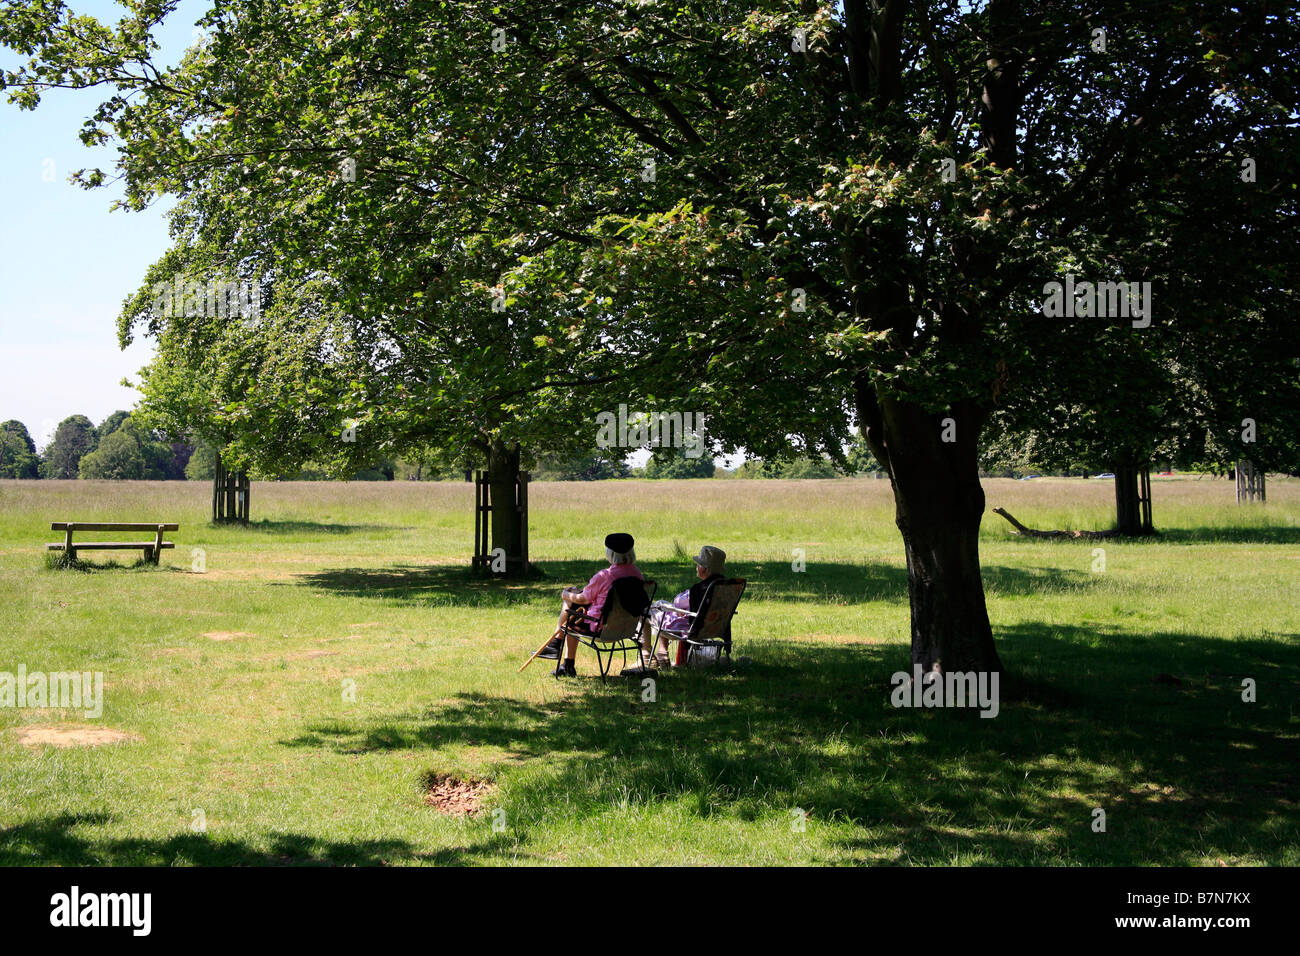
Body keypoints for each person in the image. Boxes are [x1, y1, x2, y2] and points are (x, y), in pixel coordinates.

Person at [538, 532, 644, 677]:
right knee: (574, 609)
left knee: (571, 607)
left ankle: (561, 651)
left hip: (601, 628)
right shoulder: (637, 574)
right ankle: (557, 647)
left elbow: (583, 599)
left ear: (610, 553)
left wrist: (566, 594)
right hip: (628, 628)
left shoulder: (605, 576)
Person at [644, 546, 726, 667]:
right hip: (715, 626)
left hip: (691, 628)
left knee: (648, 612)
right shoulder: (724, 588)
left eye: (698, 564)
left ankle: (648, 656)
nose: (696, 567)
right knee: (662, 607)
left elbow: (678, 602)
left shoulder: (700, 590)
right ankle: (662, 654)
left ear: (704, 569)